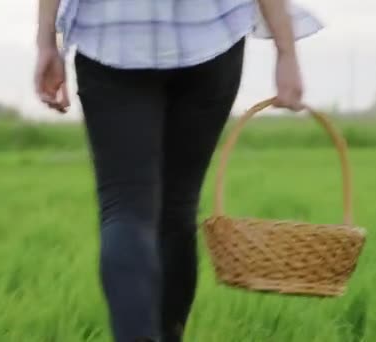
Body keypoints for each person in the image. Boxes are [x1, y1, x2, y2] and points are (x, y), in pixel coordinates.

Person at [34, 1, 320, 341]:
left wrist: (46, 43)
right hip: (209, 33)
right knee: (177, 210)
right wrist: (286, 51)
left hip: (112, 34)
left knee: (126, 210)